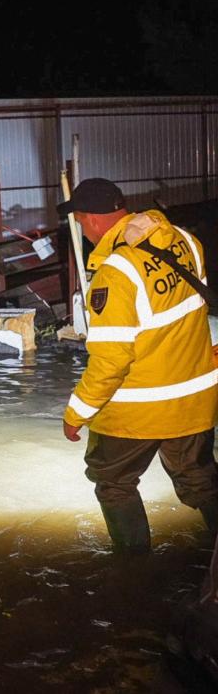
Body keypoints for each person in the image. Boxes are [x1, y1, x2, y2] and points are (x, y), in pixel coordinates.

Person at [59, 178, 218, 554]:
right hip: (195, 400)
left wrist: (76, 413)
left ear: (91, 219)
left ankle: (134, 570)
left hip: (137, 410)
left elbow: (111, 361)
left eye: (80, 222)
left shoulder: (115, 273)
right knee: (200, 481)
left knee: (113, 482)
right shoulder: (184, 241)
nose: (83, 232)